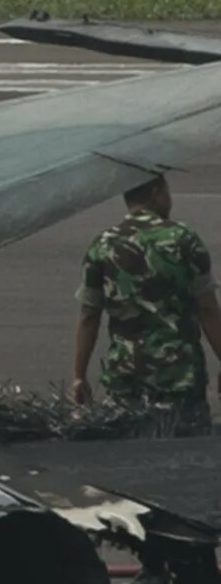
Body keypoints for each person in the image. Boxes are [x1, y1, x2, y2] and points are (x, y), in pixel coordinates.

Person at [73, 174, 221, 434]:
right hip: (180, 376)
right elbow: (208, 308)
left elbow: (89, 315)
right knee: (188, 456)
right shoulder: (183, 240)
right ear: (156, 192)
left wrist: (79, 375)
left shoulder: (103, 245)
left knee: (132, 456)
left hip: (127, 377)